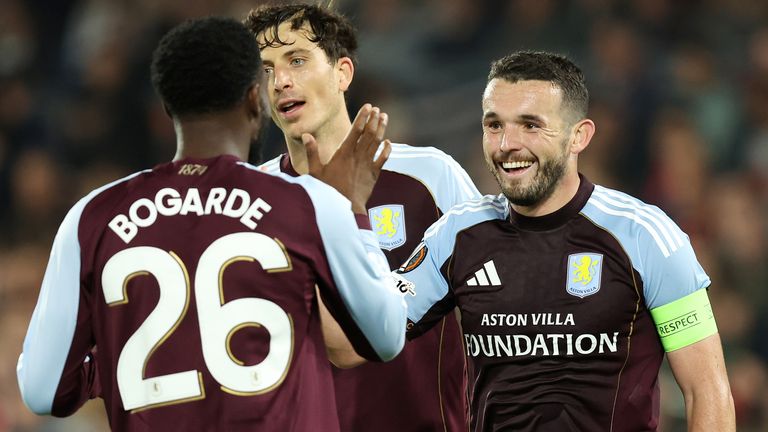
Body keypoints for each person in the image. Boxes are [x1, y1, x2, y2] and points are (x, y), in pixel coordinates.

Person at [16, 16, 407, 432]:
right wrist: (354, 211)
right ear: (255, 99)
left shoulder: (91, 217)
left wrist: (113, 359)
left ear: (167, 108)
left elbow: (43, 391)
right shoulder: (309, 203)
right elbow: (386, 336)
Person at [393, 51, 736, 431]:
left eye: (530, 125)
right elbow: (355, 339)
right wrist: (349, 213)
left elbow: (707, 391)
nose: (508, 143)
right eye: (494, 125)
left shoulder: (646, 237)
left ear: (579, 136)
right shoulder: (457, 234)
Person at [244, 4, 480, 431]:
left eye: (297, 60)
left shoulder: (429, 176)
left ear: (343, 73)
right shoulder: (250, 204)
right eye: (265, 70)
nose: (280, 81)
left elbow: (496, 306)